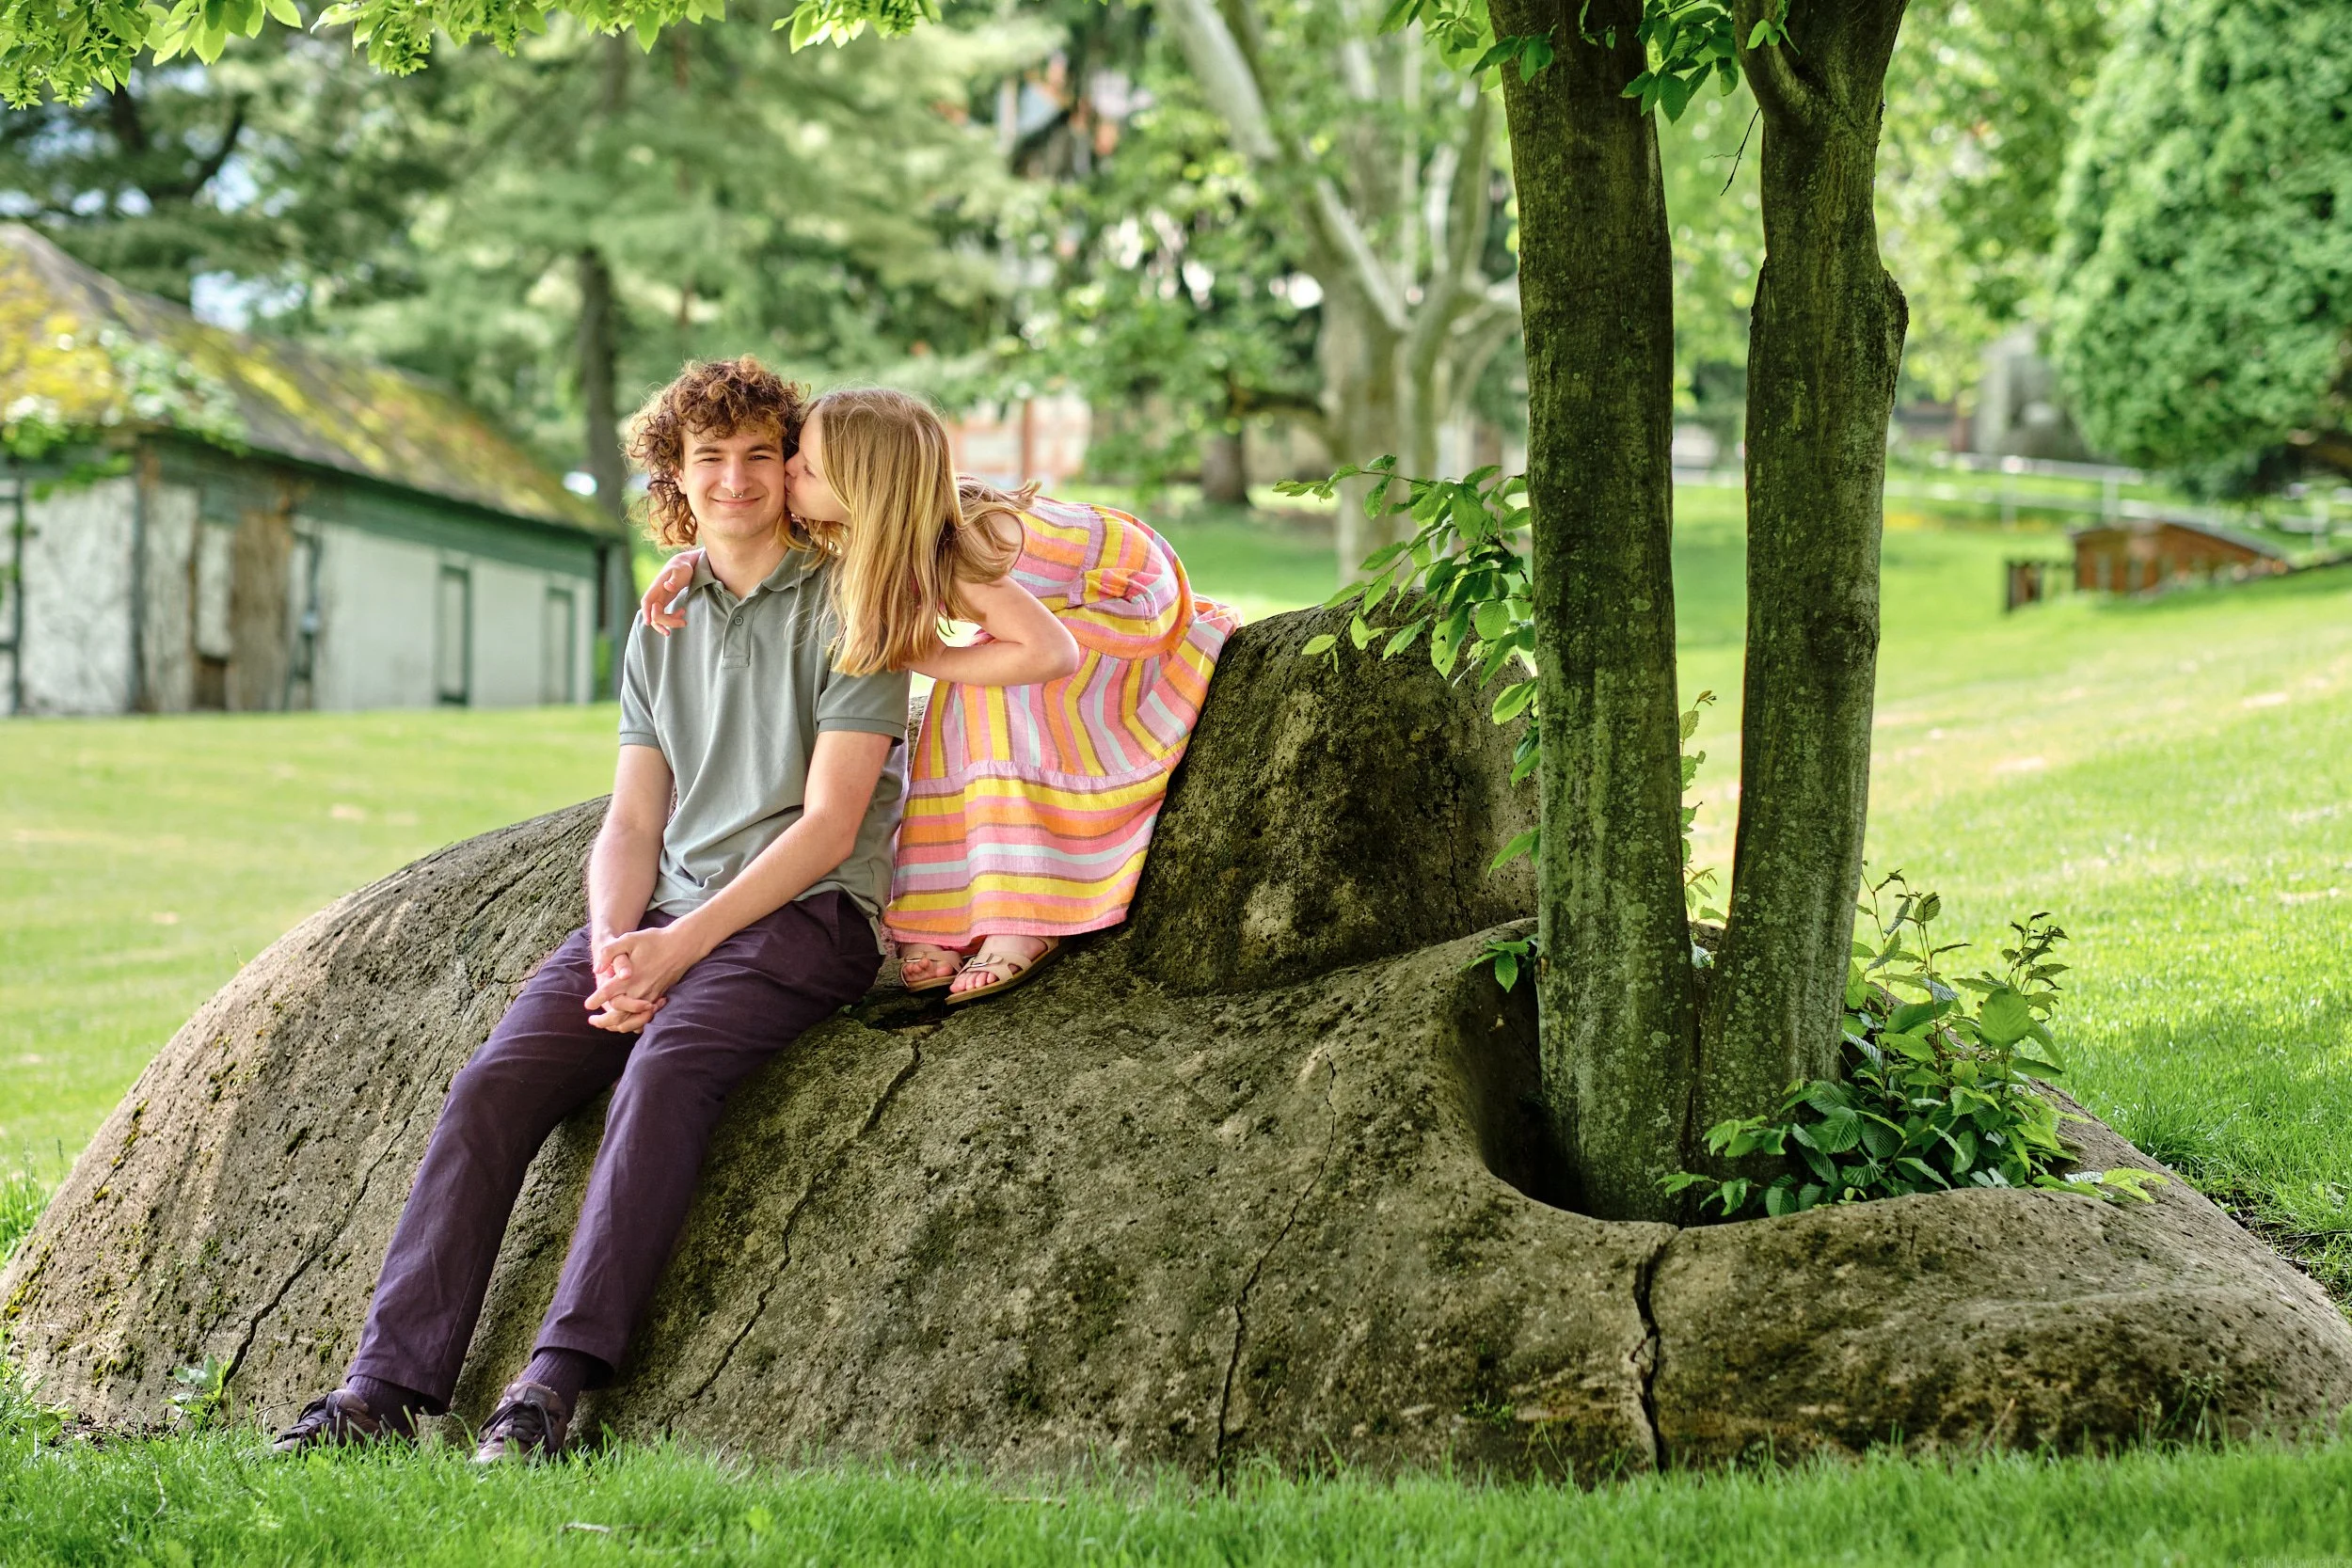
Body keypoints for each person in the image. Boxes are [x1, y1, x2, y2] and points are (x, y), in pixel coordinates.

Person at [272, 356, 912, 1463]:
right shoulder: (658, 620)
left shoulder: (855, 599)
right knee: (492, 1084)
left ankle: (551, 1389)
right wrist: (618, 942)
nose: (738, 479)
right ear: (674, 473)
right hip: (660, 912)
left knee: (664, 1067)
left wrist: (674, 953)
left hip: (809, 917)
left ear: (797, 466)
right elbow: (628, 819)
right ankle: (381, 1388)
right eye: (709, 457)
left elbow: (826, 823)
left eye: (764, 453)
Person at [643, 387, 1237, 1004]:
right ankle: (950, 909)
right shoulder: (882, 524)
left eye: (807, 467)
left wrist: (937, 658)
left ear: (860, 493)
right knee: (957, 706)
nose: (789, 468)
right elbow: (767, 545)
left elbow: (1051, 652)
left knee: (984, 698)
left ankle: (1024, 915)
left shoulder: (959, 551)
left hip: (1119, 604)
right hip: (1042, 614)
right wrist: (691, 564)